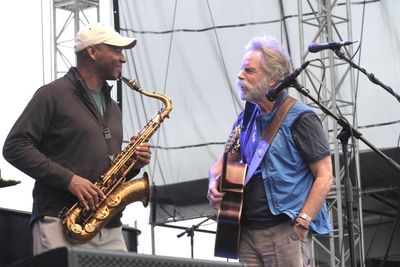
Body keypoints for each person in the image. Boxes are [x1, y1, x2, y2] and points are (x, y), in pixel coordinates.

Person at [3, 23, 151, 255]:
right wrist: (70, 180)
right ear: (92, 52)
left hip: (109, 226)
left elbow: (107, 171)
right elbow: (15, 147)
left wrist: (134, 163)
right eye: (116, 51)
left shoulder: (113, 108)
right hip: (60, 220)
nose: (123, 59)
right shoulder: (52, 95)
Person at [207, 34, 333, 266]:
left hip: (285, 233)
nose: (239, 75)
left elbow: (325, 175)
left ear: (273, 79)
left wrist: (302, 223)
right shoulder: (245, 118)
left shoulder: (301, 118)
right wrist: (213, 182)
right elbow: (222, 163)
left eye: (249, 71)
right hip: (245, 232)